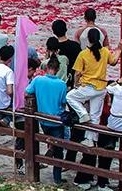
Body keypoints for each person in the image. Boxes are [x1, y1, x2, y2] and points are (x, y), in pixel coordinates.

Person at [69, 28, 122, 137]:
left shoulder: (83, 54)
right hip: (101, 89)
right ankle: (90, 140)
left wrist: (76, 84)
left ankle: (83, 113)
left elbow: (77, 73)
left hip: (88, 86)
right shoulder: (105, 52)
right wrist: (119, 49)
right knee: (95, 116)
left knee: (70, 97)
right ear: (99, 39)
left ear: (88, 39)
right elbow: (113, 62)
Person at [26, 57, 70, 185]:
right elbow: (63, 102)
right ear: (57, 70)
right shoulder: (62, 84)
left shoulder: (38, 80)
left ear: (47, 68)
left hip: (43, 119)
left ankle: (50, 146)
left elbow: (27, 91)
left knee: (48, 137)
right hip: (56, 119)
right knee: (59, 150)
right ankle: (57, 178)